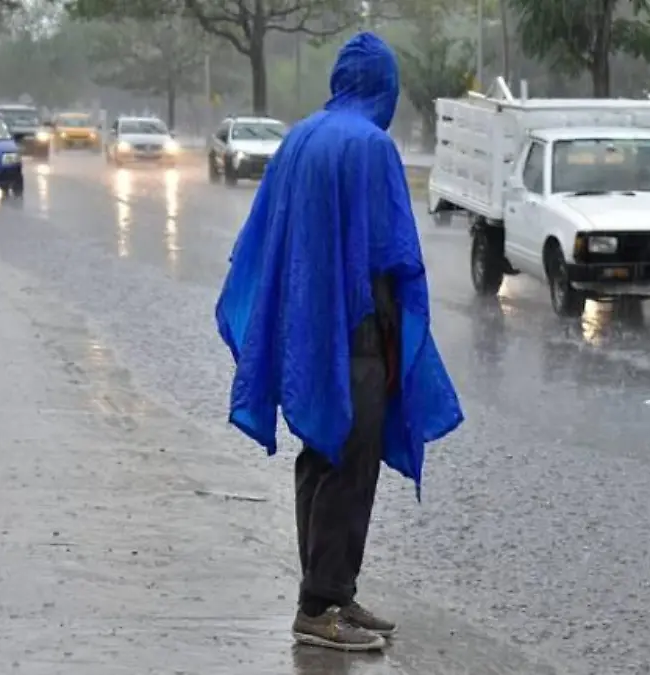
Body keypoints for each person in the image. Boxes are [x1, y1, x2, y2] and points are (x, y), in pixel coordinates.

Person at [214, 32, 465, 652]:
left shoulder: (299, 137)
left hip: (305, 326)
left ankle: (331, 590)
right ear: (386, 86)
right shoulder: (372, 146)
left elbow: (263, 237)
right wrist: (395, 335)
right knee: (352, 460)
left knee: (320, 453)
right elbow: (392, 252)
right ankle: (320, 606)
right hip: (356, 328)